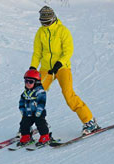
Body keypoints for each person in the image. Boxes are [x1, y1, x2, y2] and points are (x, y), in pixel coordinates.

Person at [29, 6, 99, 135]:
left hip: (62, 68)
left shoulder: (63, 31)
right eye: (42, 22)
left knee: (68, 94)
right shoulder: (40, 32)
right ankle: (35, 124)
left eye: (47, 22)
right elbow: (37, 52)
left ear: (53, 19)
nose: (45, 25)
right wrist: (33, 67)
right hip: (46, 68)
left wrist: (59, 64)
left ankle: (89, 121)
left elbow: (68, 51)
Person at [17, 69, 53, 147]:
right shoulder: (25, 92)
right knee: (24, 124)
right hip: (28, 113)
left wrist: (39, 110)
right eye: (26, 81)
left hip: (38, 113)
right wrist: (22, 109)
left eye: (31, 82)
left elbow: (41, 102)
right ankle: (26, 137)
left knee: (40, 124)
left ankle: (45, 137)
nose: (28, 84)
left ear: (36, 82)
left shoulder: (40, 92)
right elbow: (21, 101)